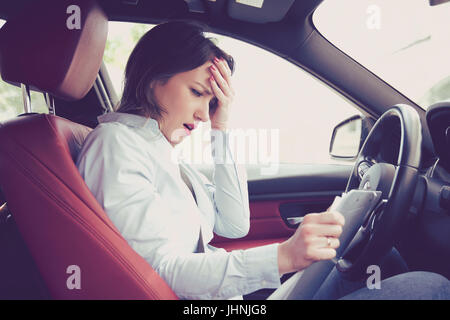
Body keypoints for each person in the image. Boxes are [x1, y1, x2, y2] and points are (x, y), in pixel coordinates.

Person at [76, 20, 450, 300]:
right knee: (431, 287)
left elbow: (234, 224)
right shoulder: (115, 146)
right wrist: (284, 257)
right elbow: (163, 271)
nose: (205, 113)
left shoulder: (159, 152)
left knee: (385, 260)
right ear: (153, 78)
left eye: (213, 101)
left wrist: (222, 129)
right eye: (196, 92)